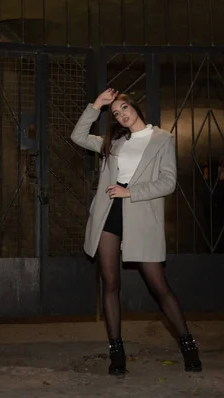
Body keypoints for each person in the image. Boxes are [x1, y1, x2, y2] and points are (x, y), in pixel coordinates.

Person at [70, 88, 202, 376]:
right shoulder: (113, 143)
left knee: (159, 286)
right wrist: (96, 105)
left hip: (140, 215)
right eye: (116, 113)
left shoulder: (162, 139)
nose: (121, 115)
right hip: (108, 215)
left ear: (135, 107)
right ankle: (116, 352)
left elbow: (168, 182)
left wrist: (130, 192)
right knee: (110, 283)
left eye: (124, 108)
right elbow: (77, 137)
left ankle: (188, 345)